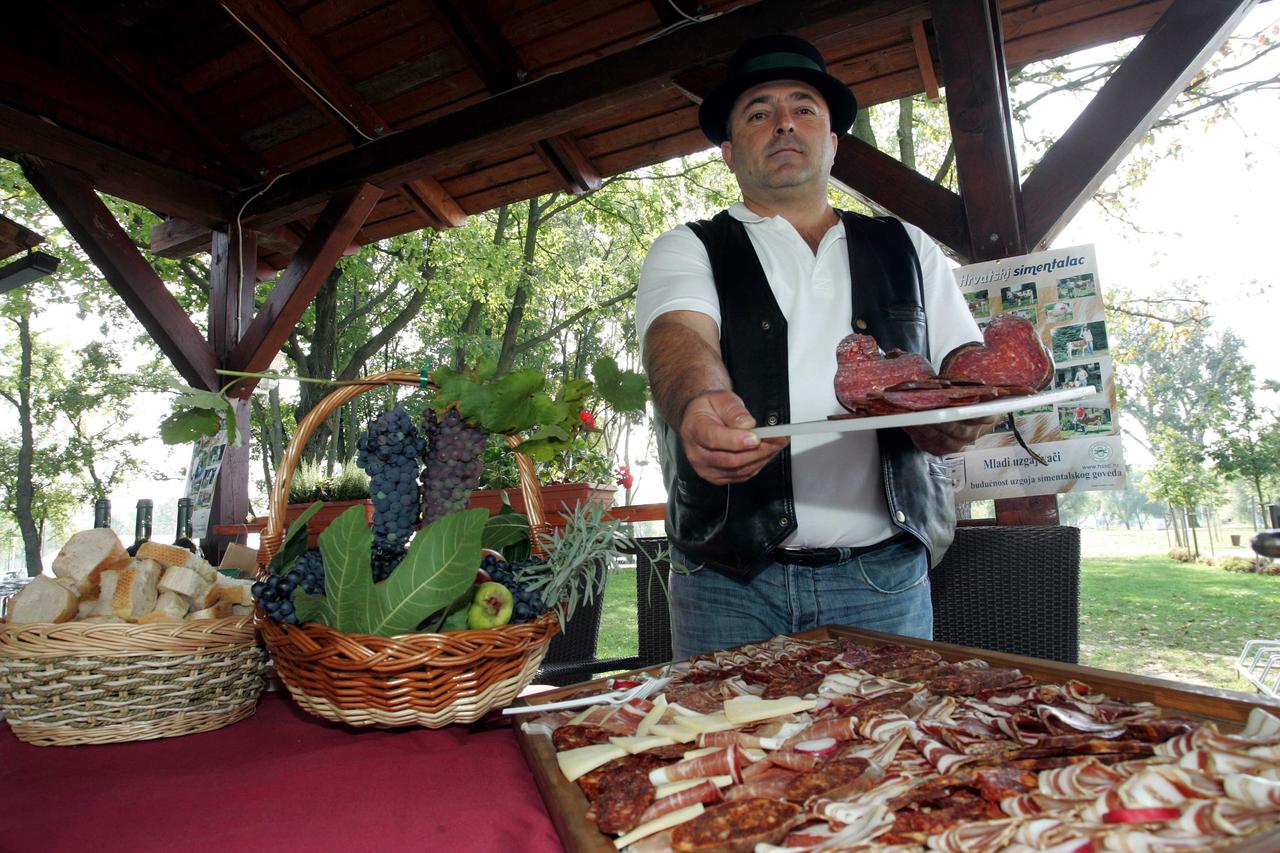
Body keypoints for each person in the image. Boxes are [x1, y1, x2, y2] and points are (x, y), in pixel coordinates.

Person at [637, 35, 1001, 659]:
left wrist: (969, 415)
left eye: (804, 108)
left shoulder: (909, 247)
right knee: (720, 750)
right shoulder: (688, 247)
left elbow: (968, 373)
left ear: (833, 141)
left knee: (889, 751)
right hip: (727, 584)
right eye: (758, 112)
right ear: (728, 153)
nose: (783, 122)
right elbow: (679, 335)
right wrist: (699, 400)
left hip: (882, 580)